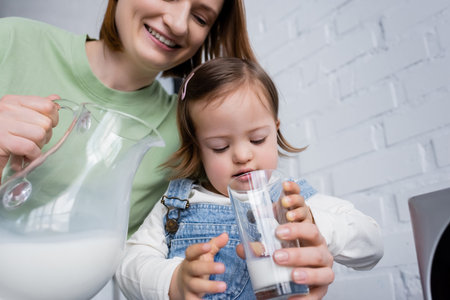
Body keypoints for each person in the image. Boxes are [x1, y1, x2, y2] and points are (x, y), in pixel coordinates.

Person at [0, 0, 336, 297]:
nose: (178, 23)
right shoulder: (12, 41)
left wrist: (310, 248)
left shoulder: (188, 137)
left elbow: (144, 254)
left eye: (201, 17)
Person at [115, 57, 383, 299]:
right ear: (198, 148)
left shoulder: (293, 200)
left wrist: (314, 224)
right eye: (220, 146)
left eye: (257, 139)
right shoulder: (176, 204)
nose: (243, 155)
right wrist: (173, 281)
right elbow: (129, 264)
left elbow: (372, 242)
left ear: (275, 131)